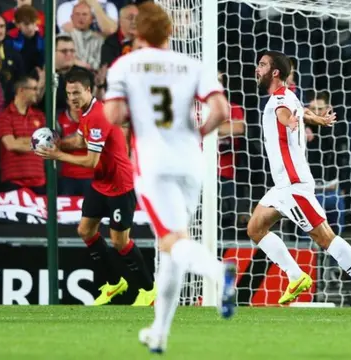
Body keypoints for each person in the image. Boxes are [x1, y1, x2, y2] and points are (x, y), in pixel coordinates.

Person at [102, 2, 236, 354]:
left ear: (137, 32)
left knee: (171, 241)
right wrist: (199, 133)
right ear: (171, 31)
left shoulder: (126, 64)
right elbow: (221, 111)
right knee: (175, 245)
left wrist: (135, 109)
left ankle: (217, 271)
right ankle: (159, 332)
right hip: (192, 162)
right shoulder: (193, 65)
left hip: (154, 163)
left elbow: (114, 115)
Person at [247, 50, 351, 315]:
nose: (257, 69)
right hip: (282, 186)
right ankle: (296, 275)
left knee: (324, 238)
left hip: (293, 184)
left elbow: (286, 114)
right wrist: (317, 118)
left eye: (262, 65)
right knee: (255, 228)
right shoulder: (287, 95)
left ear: (275, 72)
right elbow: (299, 109)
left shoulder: (279, 103)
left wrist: (292, 121)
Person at [36, 69, 156, 307]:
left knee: (119, 241)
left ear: (89, 90)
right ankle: (114, 283)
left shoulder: (99, 116)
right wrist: (59, 143)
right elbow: (80, 140)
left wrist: (58, 154)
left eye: (77, 92)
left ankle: (148, 290)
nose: (72, 97)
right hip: (101, 184)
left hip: (120, 185)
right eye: (69, 93)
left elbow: (91, 161)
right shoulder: (87, 111)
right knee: (85, 231)